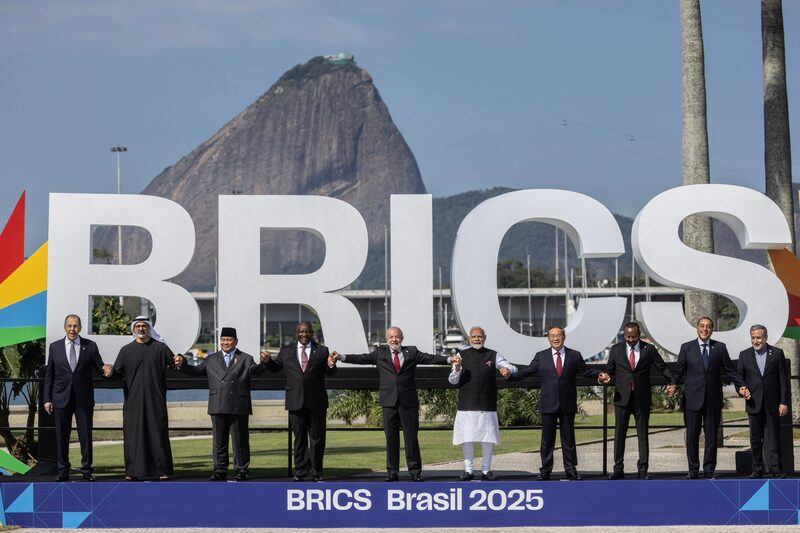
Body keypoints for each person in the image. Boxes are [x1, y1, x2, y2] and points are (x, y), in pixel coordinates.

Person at [331, 326, 458, 482]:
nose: (394, 339)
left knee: (411, 438)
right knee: (391, 439)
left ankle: (415, 471)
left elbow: (430, 358)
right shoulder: (380, 353)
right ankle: (392, 472)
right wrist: (341, 357)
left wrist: (449, 359)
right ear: (386, 339)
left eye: (397, 336)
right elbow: (361, 358)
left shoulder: (411, 352)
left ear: (402, 338)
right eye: (391, 337)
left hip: (408, 402)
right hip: (389, 402)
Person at [174, 327, 269, 481]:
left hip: (238, 404)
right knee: (219, 441)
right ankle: (220, 469)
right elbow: (196, 371)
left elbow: (256, 370)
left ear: (235, 342)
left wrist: (265, 363)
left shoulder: (245, 358)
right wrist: (182, 364)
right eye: (223, 340)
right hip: (218, 403)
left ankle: (241, 469)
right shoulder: (211, 359)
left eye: (229, 340)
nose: (225, 342)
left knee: (240, 440)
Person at [508, 325, 599, 481]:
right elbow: (527, 371)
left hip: (567, 404)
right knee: (547, 440)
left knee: (569, 440)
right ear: (548, 338)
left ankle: (571, 470)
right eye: (552, 336)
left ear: (564, 337)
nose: (556, 338)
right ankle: (545, 471)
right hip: (548, 404)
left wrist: (601, 375)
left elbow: (586, 372)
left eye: (558, 335)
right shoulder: (541, 356)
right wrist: (510, 375)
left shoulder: (574, 356)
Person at [599, 321, 676, 480]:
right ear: (624, 335)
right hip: (622, 398)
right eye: (627, 337)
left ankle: (643, 469)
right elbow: (609, 370)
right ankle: (618, 469)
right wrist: (605, 376)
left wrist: (671, 382)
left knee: (642, 435)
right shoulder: (616, 349)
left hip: (641, 398)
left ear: (639, 335)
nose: (631, 340)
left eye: (633, 337)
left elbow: (662, 367)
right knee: (619, 434)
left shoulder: (649, 349)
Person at [262, 321, 335, 482]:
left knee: (317, 439)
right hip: (295, 401)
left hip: (317, 402)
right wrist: (267, 362)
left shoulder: (322, 351)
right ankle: (300, 471)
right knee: (299, 438)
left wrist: (331, 364)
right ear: (296, 333)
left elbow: (330, 372)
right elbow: (275, 368)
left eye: (307, 332)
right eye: (301, 332)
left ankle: (317, 471)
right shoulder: (286, 351)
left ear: (312, 333)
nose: (304, 334)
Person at [105, 316, 176, 480]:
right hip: (133, 401)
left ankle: (161, 470)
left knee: (157, 433)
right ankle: (132, 471)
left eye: (144, 326)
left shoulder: (160, 348)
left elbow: (174, 363)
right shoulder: (126, 350)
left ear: (149, 328)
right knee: (133, 435)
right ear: (134, 329)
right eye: (138, 326)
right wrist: (109, 371)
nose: (141, 329)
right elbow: (117, 372)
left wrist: (180, 359)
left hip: (155, 399)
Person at [673, 316, 742, 479]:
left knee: (711, 436)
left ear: (712, 329)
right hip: (692, 399)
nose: (705, 329)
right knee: (692, 436)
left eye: (709, 326)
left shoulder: (720, 348)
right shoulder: (686, 348)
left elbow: (731, 370)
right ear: (697, 328)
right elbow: (678, 371)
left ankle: (709, 469)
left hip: (713, 399)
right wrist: (673, 383)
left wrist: (743, 384)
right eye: (702, 326)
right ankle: (693, 469)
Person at [43, 314, 109, 481]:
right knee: (62, 437)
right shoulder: (55, 347)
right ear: (65, 327)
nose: (72, 329)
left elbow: (99, 366)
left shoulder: (90, 346)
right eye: (69, 326)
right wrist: (47, 399)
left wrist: (105, 370)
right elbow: (49, 375)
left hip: (83, 399)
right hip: (60, 398)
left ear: (80, 327)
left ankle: (87, 471)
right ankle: (63, 470)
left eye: (75, 326)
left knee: (85, 436)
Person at [449, 326, 516, 481]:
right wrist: (457, 368)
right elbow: (452, 380)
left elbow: (511, 367)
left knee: (488, 439)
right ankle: (468, 471)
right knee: (467, 439)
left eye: (479, 336)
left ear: (484, 338)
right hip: (467, 405)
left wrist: (506, 369)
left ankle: (486, 471)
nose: (477, 339)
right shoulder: (461, 355)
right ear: (469, 339)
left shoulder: (493, 355)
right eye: (474, 337)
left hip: (487, 404)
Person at [736, 324, 789, 479]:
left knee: (773, 437)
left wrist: (783, 402)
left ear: (765, 338)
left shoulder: (777, 354)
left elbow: (783, 380)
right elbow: (739, 379)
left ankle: (776, 469)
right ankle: (757, 468)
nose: (755, 340)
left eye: (758, 337)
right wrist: (741, 389)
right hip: (753, 402)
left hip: (773, 403)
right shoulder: (744, 355)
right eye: (753, 337)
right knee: (755, 438)